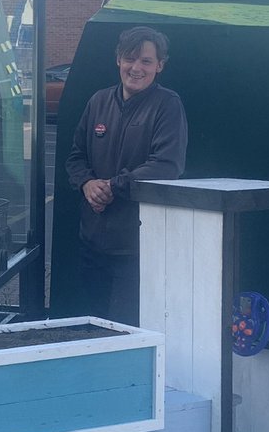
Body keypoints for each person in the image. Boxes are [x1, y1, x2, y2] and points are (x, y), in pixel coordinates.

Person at [65, 26, 188, 326]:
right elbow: (76, 156)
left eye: (146, 61)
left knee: (125, 330)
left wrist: (111, 186)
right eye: (130, 58)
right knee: (92, 326)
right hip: (92, 243)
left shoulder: (168, 105)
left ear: (160, 66)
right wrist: (86, 183)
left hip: (137, 248)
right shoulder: (98, 102)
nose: (136, 68)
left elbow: (167, 165)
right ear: (118, 60)